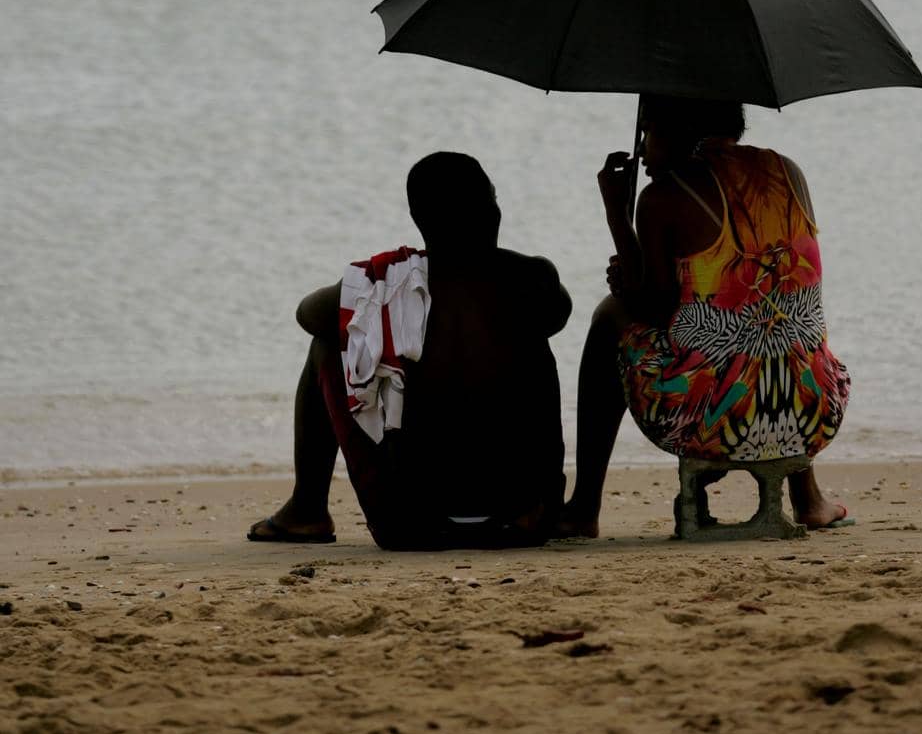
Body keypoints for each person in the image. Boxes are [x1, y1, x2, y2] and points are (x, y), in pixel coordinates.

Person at [248, 151, 572, 550]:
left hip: (412, 526)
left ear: (421, 220)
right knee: (534, 339)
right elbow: (560, 315)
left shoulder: (388, 283)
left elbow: (307, 313)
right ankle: (540, 501)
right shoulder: (532, 278)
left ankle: (307, 510)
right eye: (493, 197)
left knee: (330, 343)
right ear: (489, 210)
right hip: (524, 522)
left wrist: (371, 299)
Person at [559, 96, 850, 537]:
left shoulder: (665, 197)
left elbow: (652, 309)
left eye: (648, 133)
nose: (641, 151)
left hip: (714, 421)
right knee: (778, 324)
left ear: (678, 131)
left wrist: (618, 219)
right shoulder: (789, 173)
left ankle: (584, 507)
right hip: (814, 410)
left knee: (608, 316)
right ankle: (808, 498)